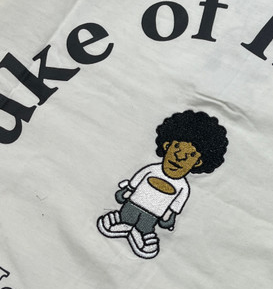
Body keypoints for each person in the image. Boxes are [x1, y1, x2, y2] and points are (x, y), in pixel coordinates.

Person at [97, 109, 228, 258]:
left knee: (145, 226)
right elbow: (136, 181)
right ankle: (121, 223)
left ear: (198, 162)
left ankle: (141, 235)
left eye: (191, 155)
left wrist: (170, 218)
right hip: (133, 204)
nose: (180, 156)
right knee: (127, 216)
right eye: (177, 147)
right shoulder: (152, 169)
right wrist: (126, 190)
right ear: (166, 146)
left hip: (153, 214)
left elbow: (175, 206)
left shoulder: (183, 187)